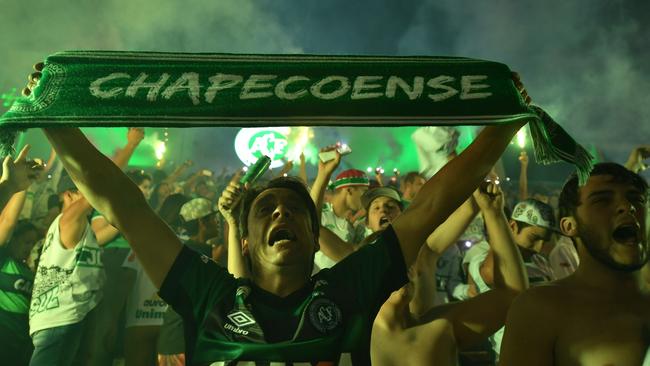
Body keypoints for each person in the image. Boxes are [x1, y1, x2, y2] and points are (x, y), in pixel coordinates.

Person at [25, 62, 527, 364]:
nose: (281, 212)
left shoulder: (349, 288)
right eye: (265, 207)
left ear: (315, 239)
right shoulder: (209, 295)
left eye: (295, 208)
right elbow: (125, 206)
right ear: (244, 238)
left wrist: (503, 124)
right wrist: (53, 121)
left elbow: (432, 205)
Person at [499, 162, 649, 365]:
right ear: (570, 226)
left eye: (636, 199)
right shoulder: (541, 310)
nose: (627, 207)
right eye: (603, 200)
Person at [371, 181, 528, 366]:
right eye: (386, 261)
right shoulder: (348, 330)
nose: (402, 267)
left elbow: (512, 295)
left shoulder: (439, 327)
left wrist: (493, 213)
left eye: (406, 260)